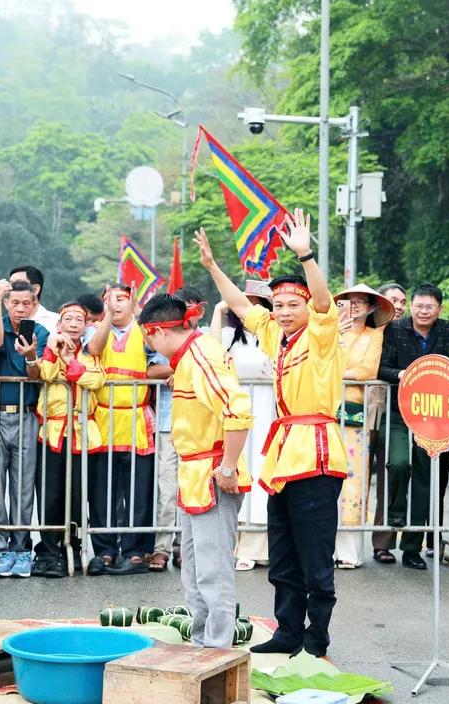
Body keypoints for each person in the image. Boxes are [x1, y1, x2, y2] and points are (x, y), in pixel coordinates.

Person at [198, 208, 349, 658]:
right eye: (278, 305)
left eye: (292, 305)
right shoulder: (275, 334)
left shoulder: (321, 334)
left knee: (315, 556)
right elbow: (243, 307)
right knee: (283, 553)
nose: (283, 312)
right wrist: (212, 267)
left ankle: (315, 640)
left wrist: (304, 254)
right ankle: (286, 631)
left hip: (317, 455)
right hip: (283, 456)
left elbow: (323, 299)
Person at [140, 292, 252, 648]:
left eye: (149, 337)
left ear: (156, 331)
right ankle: (203, 639)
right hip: (196, 471)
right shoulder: (191, 356)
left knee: (213, 569)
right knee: (193, 566)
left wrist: (229, 467)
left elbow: (238, 410)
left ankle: (216, 647)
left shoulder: (202, 355)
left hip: (212, 469)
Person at [84, 285, 168, 575]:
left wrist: (140, 312)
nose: (116, 304)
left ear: (133, 302)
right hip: (104, 420)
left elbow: (155, 350)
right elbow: (94, 350)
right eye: (111, 299)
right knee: (102, 491)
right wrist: (107, 315)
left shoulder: (142, 330)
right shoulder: (95, 328)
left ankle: (134, 552)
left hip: (136, 419)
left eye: (122, 299)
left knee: (138, 490)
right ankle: (105, 551)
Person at [378, 285, 449, 568]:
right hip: (400, 410)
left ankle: (412, 547)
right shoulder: (395, 329)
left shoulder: (447, 330)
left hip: (431, 415)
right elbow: (382, 368)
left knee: (425, 479)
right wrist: (403, 374)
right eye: (419, 306)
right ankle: (396, 512)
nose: (423, 311)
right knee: (399, 463)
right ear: (411, 306)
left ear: (439, 309)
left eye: (430, 307)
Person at [28, 302, 106, 578]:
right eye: (68, 319)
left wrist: (71, 361)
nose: (73, 323)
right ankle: (49, 552)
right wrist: (53, 348)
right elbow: (46, 375)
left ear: (86, 326)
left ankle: (73, 545)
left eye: (79, 319)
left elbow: (94, 381)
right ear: (59, 325)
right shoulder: (50, 350)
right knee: (49, 494)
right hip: (52, 433)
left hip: (82, 434)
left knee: (77, 495)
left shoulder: (92, 354)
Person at [0, 278, 49, 578]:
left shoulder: (41, 332)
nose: (20, 308)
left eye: (26, 303)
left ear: (34, 304)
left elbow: (38, 375)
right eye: (15, 303)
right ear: (7, 303)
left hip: (26, 416)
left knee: (23, 488)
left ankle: (21, 550)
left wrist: (30, 356)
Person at [211, 283, 275, 571]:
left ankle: (260, 544)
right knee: (239, 468)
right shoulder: (228, 336)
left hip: (268, 410)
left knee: (263, 471)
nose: (248, 308)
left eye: (256, 303)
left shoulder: (273, 336)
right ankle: (237, 546)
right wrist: (219, 309)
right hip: (237, 414)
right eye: (243, 302)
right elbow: (212, 355)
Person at [330, 284, 391, 569]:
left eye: (359, 302)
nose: (352, 306)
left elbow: (367, 371)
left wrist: (333, 375)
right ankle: (324, 547)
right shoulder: (329, 333)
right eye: (347, 301)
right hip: (327, 411)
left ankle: (350, 550)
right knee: (326, 480)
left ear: (370, 308)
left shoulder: (374, 336)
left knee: (354, 480)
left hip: (354, 414)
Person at [149, 285, 207, 572]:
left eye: (189, 307)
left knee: (193, 489)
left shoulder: (206, 340)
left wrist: (180, 370)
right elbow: (151, 370)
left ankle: (186, 547)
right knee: (167, 489)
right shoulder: (164, 334)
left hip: (198, 427)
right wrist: (179, 369)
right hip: (167, 425)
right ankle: (162, 547)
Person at [8, 266, 59, 334]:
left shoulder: (55, 323)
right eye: (10, 285)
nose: (12, 288)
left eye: (19, 284)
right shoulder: (2, 324)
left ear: (35, 289)